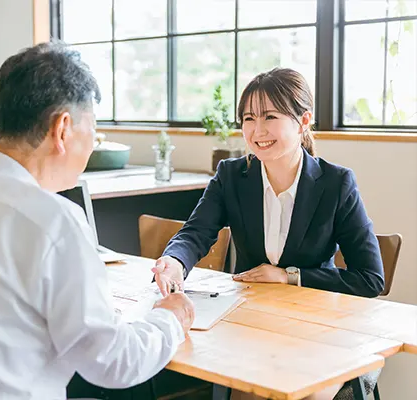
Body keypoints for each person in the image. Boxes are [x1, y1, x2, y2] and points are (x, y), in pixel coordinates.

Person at [0, 42, 195, 400]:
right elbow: (114, 363)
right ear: (63, 128)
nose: (92, 142)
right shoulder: (53, 220)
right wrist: (170, 318)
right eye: (91, 127)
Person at [152, 68, 384, 400]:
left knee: (303, 394)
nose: (257, 131)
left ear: (303, 120)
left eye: (269, 117)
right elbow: (196, 232)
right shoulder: (231, 176)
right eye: (248, 118)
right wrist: (174, 261)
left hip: (319, 332)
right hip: (252, 326)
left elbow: (370, 278)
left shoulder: (336, 184)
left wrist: (290, 277)